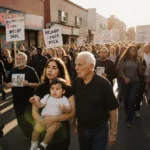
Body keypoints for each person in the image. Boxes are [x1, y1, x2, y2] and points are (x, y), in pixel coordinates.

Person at [72, 51, 119, 150]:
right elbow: (76, 103)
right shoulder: (76, 81)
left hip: (99, 129)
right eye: (75, 64)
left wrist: (113, 132)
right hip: (82, 128)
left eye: (79, 65)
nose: (76, 68)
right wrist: (74, 121)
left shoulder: (104, 84)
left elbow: (113, 109)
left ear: (91, 66)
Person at [31, 58, 75, 150]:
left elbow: (72, 112)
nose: (50, 70)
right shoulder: (40, 88)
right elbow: (34, 111)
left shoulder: (67, 88)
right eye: (48, 67)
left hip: (61, 130)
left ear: (60, 71)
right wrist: (44, 122)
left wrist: (54, 119)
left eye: (54, 68)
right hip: (43, 129)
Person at [5, 52, 39, 139]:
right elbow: (6, 82)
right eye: (17, 59)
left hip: (29, 101)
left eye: (20, 59)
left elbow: (38, 84)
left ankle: (33, 137)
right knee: (21, 122)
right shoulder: (13, 70)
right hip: (17, 101)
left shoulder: (31, 70)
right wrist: (8, 85)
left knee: (27, 121)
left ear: (25, 60)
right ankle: (29, 135)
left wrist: (29, 84)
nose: (18, 61)